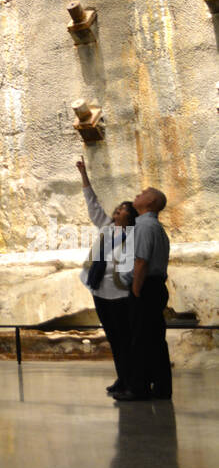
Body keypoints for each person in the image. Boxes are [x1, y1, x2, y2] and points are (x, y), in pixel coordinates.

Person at [75, 158, 137, 395]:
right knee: (113, 338)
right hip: (99, 289)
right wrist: (83, 174)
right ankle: (122, 378)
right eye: (118, 208)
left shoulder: (132, 236)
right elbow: (93, 203)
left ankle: (132, 380)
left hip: (119, 294)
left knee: (125, 339)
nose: (117, 211)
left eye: (121, 210)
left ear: (129, 218)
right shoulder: (107, 228)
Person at [114, 187, 172, 402]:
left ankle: (138, 387)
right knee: (155, 339)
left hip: (145, 287)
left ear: (151, 202)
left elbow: (141, 261)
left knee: (140, 339)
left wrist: (136, 289)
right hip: (153, 286)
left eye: (145, 192)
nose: (139, 193)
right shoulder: (153, 226)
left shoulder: (145, 226)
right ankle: (161, 386)